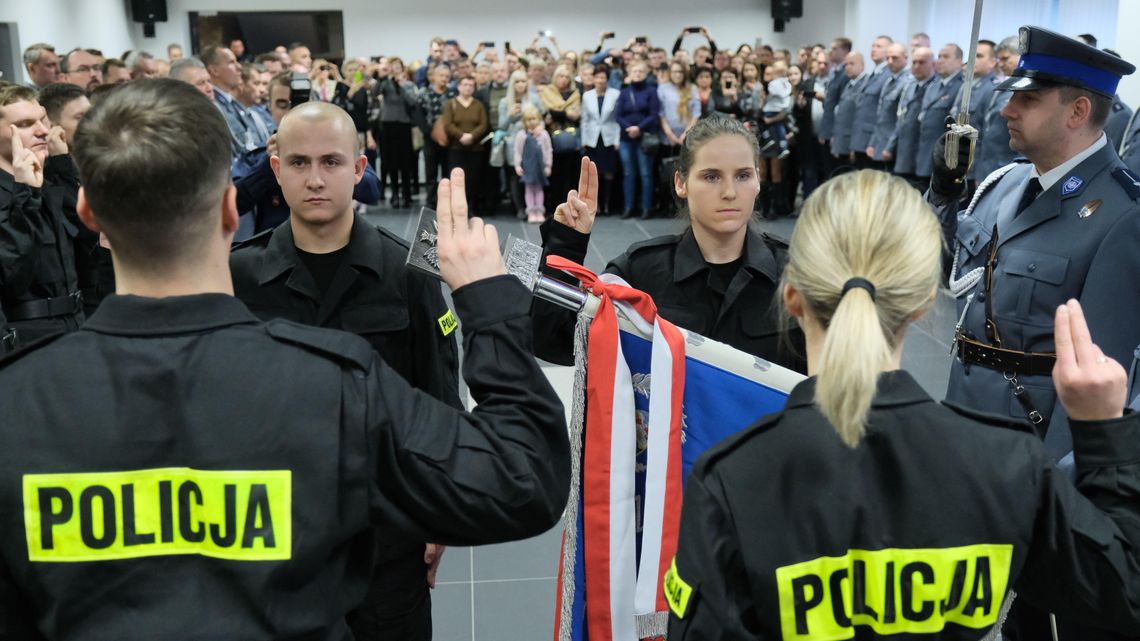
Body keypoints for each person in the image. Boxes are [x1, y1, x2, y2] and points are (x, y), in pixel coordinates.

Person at [0, 78, 569, 638]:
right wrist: (488, 303)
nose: (315, 180)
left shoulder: (18, 403)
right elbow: (523, 480)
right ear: (230, 209)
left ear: (86, 212)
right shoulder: (333, 385)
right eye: (298, 164)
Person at [665, 168, 1140, 640]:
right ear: (921, 301)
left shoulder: (733, 478)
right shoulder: (1005, 462)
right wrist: (1101, 432)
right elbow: (1123, 590)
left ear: (792, 297)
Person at [930, 28, 1140, 640]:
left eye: (1028, 97)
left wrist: (1059, 503)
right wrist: (944, 192)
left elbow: (1101, 384)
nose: (1006, 108)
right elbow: (954, 275)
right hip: (966, 437)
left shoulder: (1122, 216)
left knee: (1039, 619)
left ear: (1078, 111)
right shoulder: (1003, 185)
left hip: (1034, 464)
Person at [229, 101, 458, 641]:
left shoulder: (409, 275)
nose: (315, 179)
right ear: (275, 166)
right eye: (300, 163)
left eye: (332, 163)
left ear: (359, 169)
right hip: (276, 536)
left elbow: (441, 401)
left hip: (387, 530)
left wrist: (439, 512)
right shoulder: (238, 275)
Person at [533, 115, 806, 372]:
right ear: (681, 183)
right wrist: (567, 244)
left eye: (743, 175)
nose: (730, 192)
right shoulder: (639, 273)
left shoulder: (796, 274)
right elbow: (555, 342)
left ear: (758, 180)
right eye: (711, 176)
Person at [233, 72, 380, 234]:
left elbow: (372, 191)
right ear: (270, 107)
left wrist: (334, 163)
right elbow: (234, 203)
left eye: (301, 104)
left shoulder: (336, 146)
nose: (292, 111)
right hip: (271, 248)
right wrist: (268, 165)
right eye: (282, 104)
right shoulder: (257, 155)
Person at [0, 84, 82, 344]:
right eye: (25, 124)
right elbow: (11, 277)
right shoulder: (23, 189)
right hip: (28, 339)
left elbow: (87, 248)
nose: (43, 131)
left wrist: (61, 166)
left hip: (76, 325)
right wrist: (25, 194)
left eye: (43, 120)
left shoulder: (45, 181)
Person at [614, 59, 660, 219]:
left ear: (646, 73)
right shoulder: (625, 92)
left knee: (645, 173)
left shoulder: (651, 91)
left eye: (641, 71)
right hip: (626, 138)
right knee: (628, 173)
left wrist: (639, 128)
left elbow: (654, 114)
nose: (638, 74)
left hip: (644, 137)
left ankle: (646, 208)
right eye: (635, 71)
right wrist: (630, 128)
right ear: (629, 74)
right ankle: (628, 207)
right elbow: (618, 115)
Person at [914, 44, 964, 186]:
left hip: (942, 159)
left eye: (946, 56)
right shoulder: (933, 87)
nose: (940, 60)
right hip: (924, 156)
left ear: (959, 61)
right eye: (939, 56)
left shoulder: (962, 86)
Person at [887, 46, 935, 189]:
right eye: (914, 62)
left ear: (933, 64)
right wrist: (890, 146)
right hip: (905, 151)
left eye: (922, 62)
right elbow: (901, 118)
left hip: (925, 156)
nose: (916, 66)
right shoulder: (910, 85)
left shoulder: (936, 86)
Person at [973, 36, 1020, 182]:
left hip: (1008, 169)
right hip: (986, 168)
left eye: (1006, 59)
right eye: (999, 59)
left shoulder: (1027, 93)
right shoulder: (999, 87)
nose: (1001, 64)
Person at [441, 76, 489, 216]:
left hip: (475, 149)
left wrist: (471, 136)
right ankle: (456, 209)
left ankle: (472, 208)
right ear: (459, 86)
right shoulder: (451, 104)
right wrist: (461, 136)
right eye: (465, 84)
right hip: (456, 148)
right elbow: (447, 124)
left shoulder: (478, 105)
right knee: (456, 180)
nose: (468, 87)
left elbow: (483, 124)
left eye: (471, 85)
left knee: (473, 179)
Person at [540, 65, 582, 218]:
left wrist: (558, 114)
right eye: (560, 76)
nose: (563, 79)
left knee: (571, 175)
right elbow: (547, 114)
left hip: (571, 139)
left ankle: (570, 206)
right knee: (555, 174)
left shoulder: (575, 93)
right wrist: (565, 113)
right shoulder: (547, 92)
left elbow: (576, 115)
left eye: (566, 77)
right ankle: (555, 206)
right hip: (552, 138)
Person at [376, 57, 419, 209]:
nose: (395, 69)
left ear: (402, 69)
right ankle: (394, 194)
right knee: (391, 161)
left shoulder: (408, 85)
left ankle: (406, 195)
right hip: (388, 125)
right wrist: (383, 77)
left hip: (404, 125)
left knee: (405, 162)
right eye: (392, 67)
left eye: (397, 67)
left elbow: (413, 102)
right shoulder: (385, 84)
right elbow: (376, 92)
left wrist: (402, 86)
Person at [580, 64, 621, 217]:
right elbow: (584, 119)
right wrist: (584, 139)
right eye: (597, 77)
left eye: (603, 77)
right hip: (592, 138)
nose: (599, 80)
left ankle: (607, 204)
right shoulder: (587, 95)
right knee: (594, 174)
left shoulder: (615, 94)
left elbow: (617, 119)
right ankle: (595, 205)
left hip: (609, 137)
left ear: (607, 79)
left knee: (609, 173)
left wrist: (617, 139)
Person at [865, 43, 910, 170]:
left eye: (895, 58)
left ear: (906, 58)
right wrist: (872, 143)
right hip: (880, 143)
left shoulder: (908, 82)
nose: (890, 61)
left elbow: (901, 119)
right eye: (888, 58)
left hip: (893, 147)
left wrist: (890, 147)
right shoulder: (889, 81)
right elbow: (881, 117)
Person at [758, 61, 792, 217]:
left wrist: (773, 118)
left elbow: (785, 111)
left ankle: (774, 207)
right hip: (761, 132)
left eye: (773, 73)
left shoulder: (781, 88)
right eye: (767, 74)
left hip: (776, 131)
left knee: (776, 170)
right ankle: (762, 207)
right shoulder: (762, 90)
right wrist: (762, 101)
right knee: (762, 171)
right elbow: (755, 112)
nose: (770, 77)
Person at [514, 104, 553, 223]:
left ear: (539, 119)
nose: (531, 122)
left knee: (539, 189)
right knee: (529, 189)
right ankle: (531, 211)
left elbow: (548, 150)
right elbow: (518, 151)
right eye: (528, 120)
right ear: (524, 121)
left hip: (540, 167)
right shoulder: (522, 135)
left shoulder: (544, 134)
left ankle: (539, 211)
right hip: (528, 167)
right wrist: (517, 165)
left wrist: (548, 165)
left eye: (534, 119)